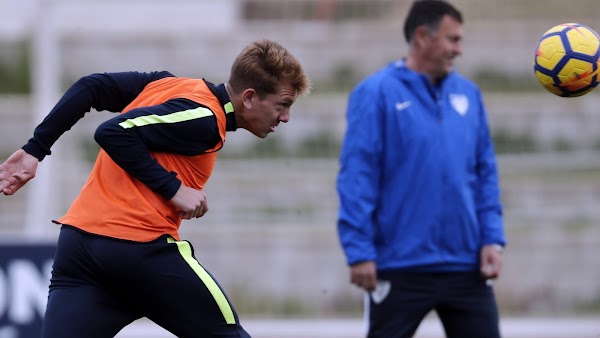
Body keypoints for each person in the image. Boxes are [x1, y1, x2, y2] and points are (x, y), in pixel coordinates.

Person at [0, 39, 310, 338]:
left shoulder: (169, 85)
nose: (285, 117)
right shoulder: (205, 117)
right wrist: (173, 188)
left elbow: (91, 86)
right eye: (282, 105)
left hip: (79, 249)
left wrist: (34, 149)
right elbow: (114, 132)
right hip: (138, 250)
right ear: (250, 97)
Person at [336, 1, 505, 338]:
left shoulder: (468, 94)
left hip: (466, 266)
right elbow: (358, 177)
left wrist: (492, 238)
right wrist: (359, 251)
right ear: (422, 37)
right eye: (452, 40)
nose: (459, 50)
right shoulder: (376, 93)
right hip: (399, 265)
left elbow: (485, 173)